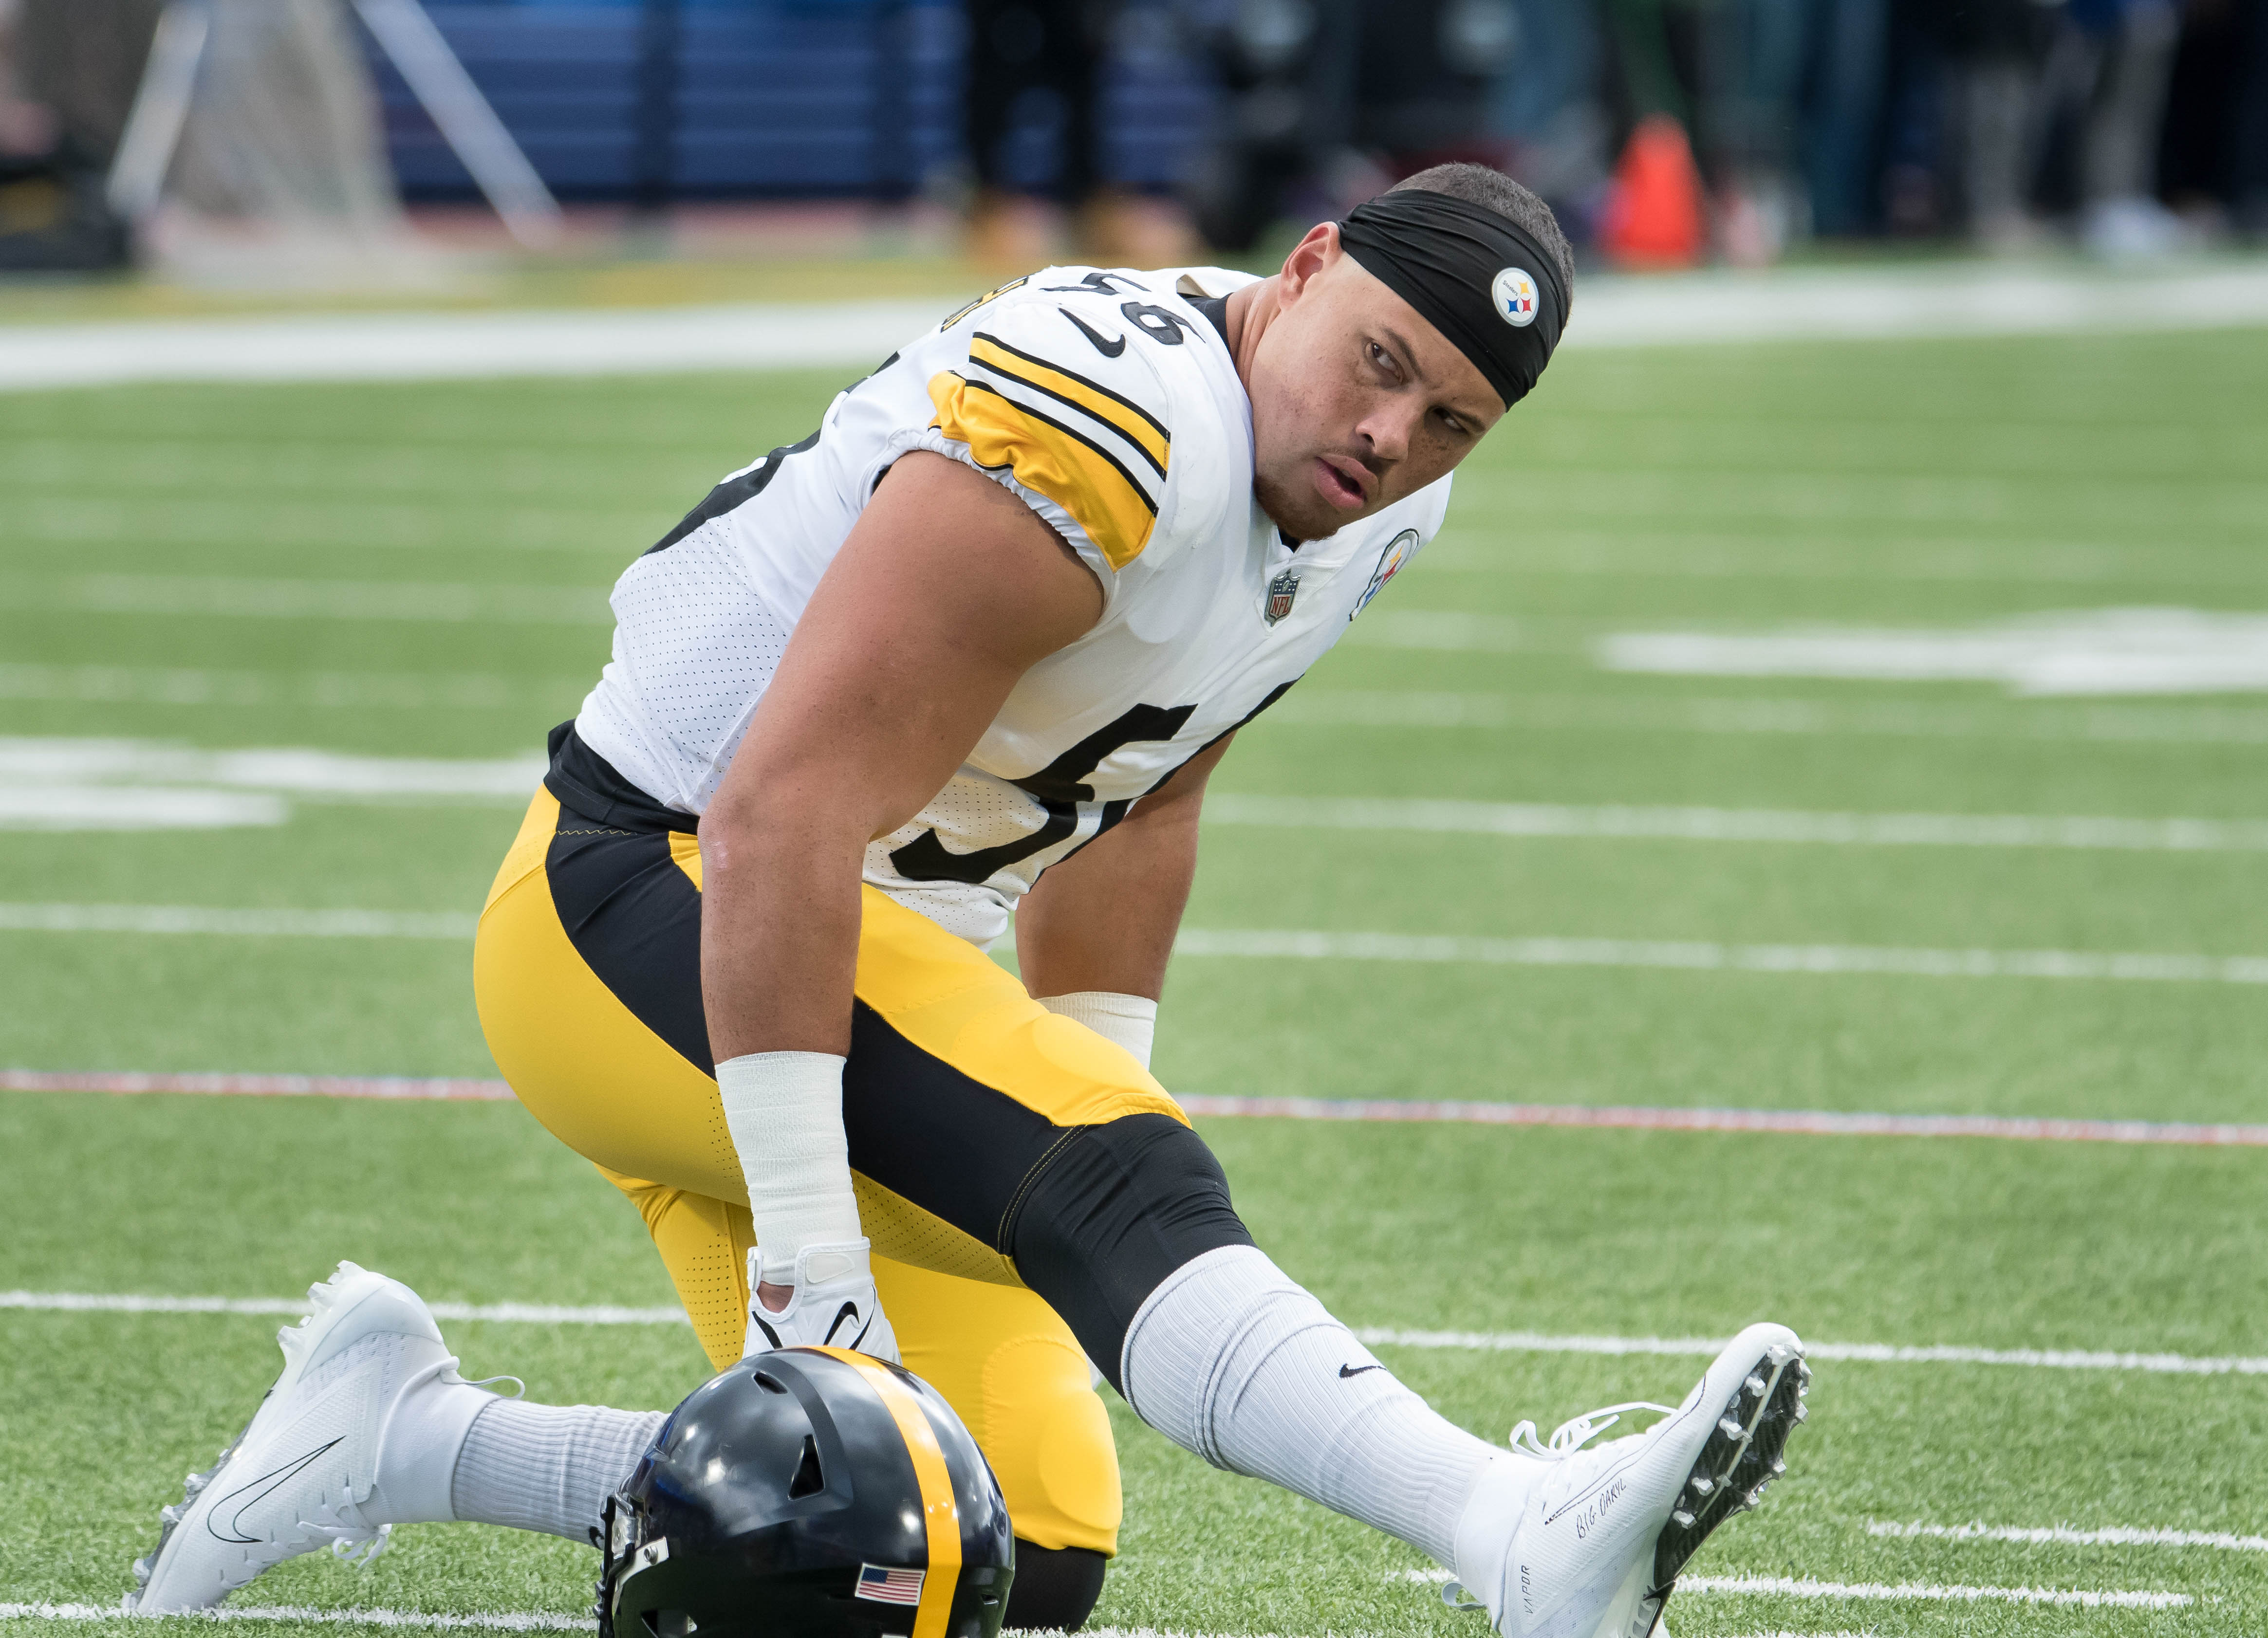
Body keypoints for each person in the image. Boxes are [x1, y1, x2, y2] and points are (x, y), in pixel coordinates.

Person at [125, 163, 1809, 1638]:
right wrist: (826, 1246)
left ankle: (409, 1436)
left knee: (1000, 1545)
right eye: (1380, 363)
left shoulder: (1374, 502)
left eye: (1452, 417)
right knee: (1115, 1181)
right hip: (641, 901)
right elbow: (780, 807)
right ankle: (1511, 1536)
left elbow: (1149, 796)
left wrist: (1085, 1092)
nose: (1392, 435)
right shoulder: (1110, 414)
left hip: (847, 940)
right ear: (1299, 271)